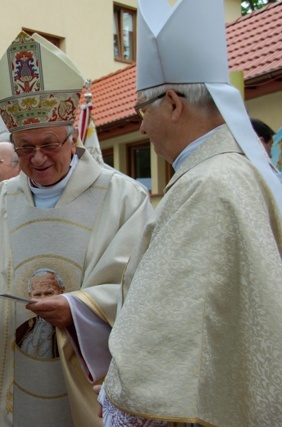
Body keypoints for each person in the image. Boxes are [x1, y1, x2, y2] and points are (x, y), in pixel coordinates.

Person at [0, 31, 153, 427]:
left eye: (49, 144)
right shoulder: (0, 203)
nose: (36, 158)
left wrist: (76, 309)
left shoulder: (123, 198)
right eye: (24, 147)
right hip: (10, 386)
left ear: (73, 139)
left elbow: (142, 289)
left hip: (86, 391)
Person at [99, 1, 282, 426]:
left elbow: (170, 340)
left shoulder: (208, 185)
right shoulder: (232, 170)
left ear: (175, 103)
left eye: (144, 111)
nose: (141, 128)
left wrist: (121, 396)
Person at [15, 269, 64, 359]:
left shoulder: (72, 328)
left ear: (62, 291)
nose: (43, 300)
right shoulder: (24, 328)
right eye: (37, 294)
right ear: (30, 296)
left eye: (49, 293)